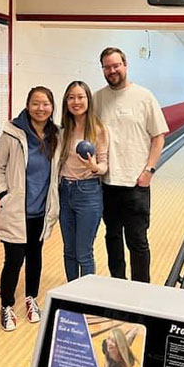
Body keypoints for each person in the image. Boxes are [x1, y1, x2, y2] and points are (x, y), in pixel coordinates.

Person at [93, 47, 169, 283]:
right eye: (107, 67)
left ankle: (140, 289)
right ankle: (117, 283)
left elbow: (159, 136)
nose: (112, 70)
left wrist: (149, 171)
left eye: (116, 65)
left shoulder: (144, 96)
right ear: (103, 69)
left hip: (136, 183)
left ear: (125, 65)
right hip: (107, 183)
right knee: (112, 236)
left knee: (137, 240)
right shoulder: (98, 98)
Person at [0, 86, 60, 331]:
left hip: (41, 212)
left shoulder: (56, 135)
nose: (41, 108)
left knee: (35, 257)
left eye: (46, 104)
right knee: (13, 260)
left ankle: (31, 298)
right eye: (36, 103)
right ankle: (7, 305)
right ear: (28, 105)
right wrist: (3, 194)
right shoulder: (12, 133)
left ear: (52, 107)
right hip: (16, 211)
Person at [59, 81, 108, 282]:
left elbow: (104, 166)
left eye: (80, 97)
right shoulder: (62, 130)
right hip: (64, 191)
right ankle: (71, 294)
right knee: (69, 251)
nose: (76, 101)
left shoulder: (99, 130)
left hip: (88, 193)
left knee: (83, 252)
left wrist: (93, 167)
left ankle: (85, 299)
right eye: (71, 97)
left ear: (88, 99)